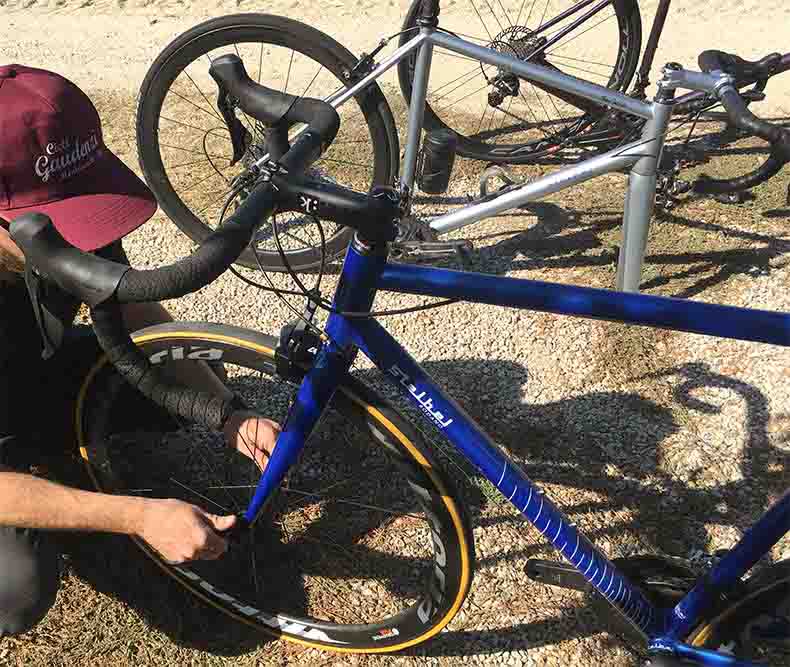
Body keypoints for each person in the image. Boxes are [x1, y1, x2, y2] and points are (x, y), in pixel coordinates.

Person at [0, 64, 280, 636]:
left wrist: (226, 410)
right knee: (17, 586)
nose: (79, 238)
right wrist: (135, 516)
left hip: (21, 377)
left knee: (178, 361)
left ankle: (42, 446)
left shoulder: (55, 206)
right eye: (52, 224)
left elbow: (131, 305)